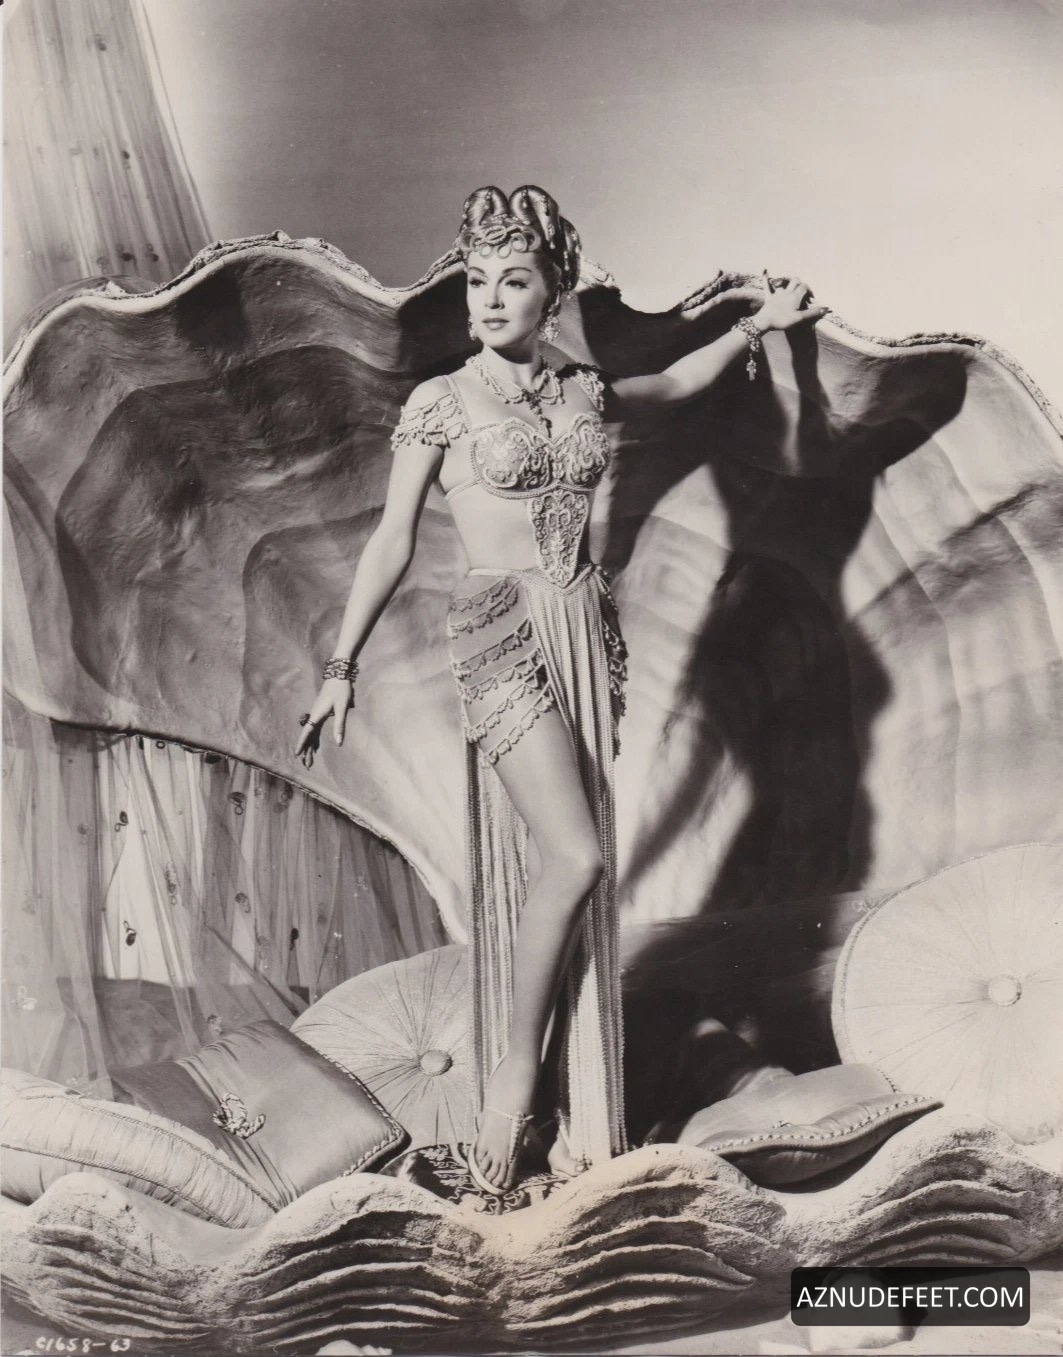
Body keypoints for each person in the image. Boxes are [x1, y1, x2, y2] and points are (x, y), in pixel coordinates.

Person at [295, 185, 826, 1196]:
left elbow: (674, 384)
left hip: (583, 630)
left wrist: (760, 327)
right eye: (476, 282)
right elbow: (391, 540)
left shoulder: (584, 389)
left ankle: (575, 1097)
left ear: (553, 294)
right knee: (574, 854)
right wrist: (339, 667)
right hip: (498, 630)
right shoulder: (441, 402)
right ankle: (511, 1085)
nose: (489, 300)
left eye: (513, 281)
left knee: (575, 860)